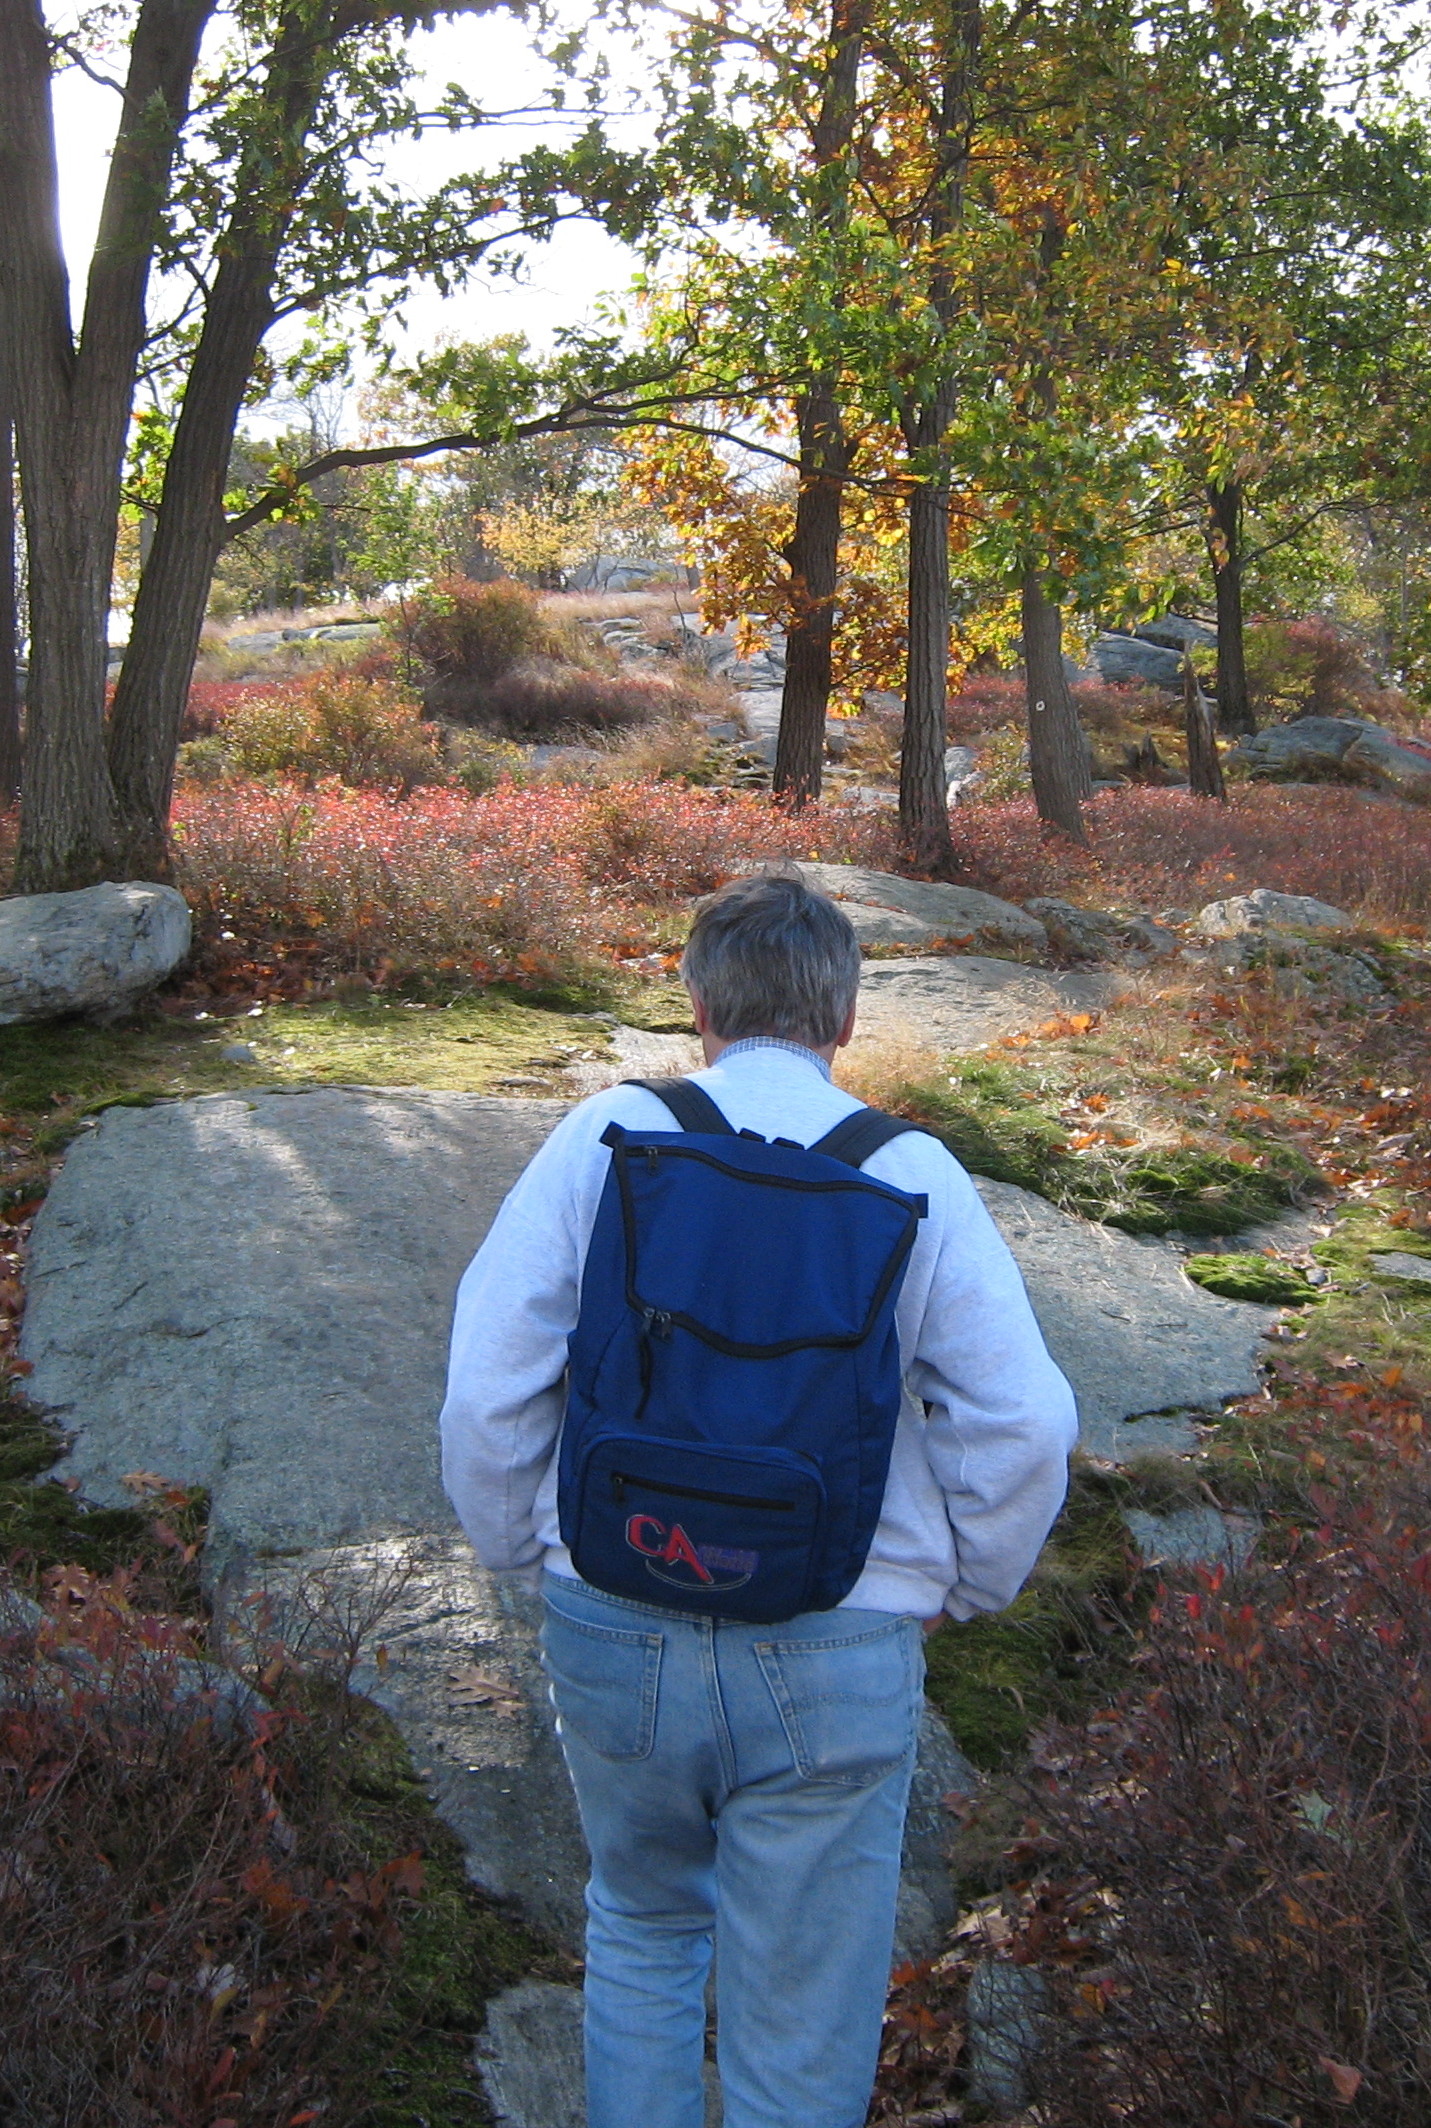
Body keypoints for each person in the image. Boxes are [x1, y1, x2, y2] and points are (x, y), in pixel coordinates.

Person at [442, 868, 1078, 2128]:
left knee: (641, 1928)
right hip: (838, 1637)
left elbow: (487, 1383)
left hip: (613, 1606)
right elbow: (1026, 1422)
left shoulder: (607, 1135)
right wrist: (964, 1586)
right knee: (802, 2012)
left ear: (699, 1005)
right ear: (845, 1018)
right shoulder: (914, 1171)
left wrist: (522, 1545)